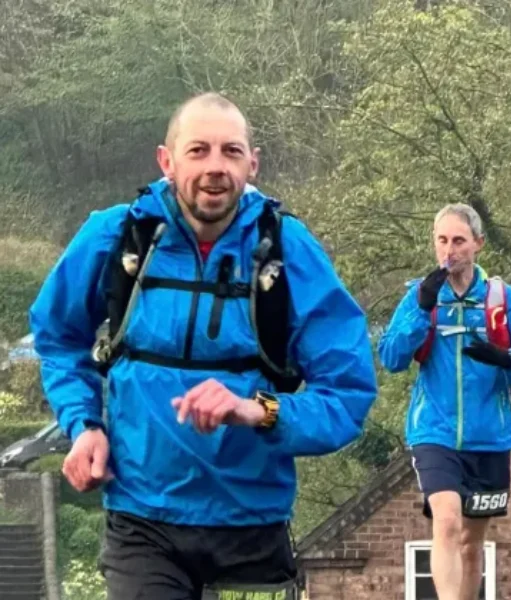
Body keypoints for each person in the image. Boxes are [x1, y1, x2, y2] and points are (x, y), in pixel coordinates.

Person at [29, 92, 379, 599]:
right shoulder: (117, 237)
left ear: (252, 163)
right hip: (141, 519)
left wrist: (255, 410)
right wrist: (84, 425)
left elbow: (348, 395)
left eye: (231, 152)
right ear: (166, 161)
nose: (215, 167)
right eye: (199, 151)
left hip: (251, 522)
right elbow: (58, 338)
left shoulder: (288, 252)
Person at [378, 204, 511, 600]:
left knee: (472, 543)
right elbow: (391, 358)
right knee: (447, 521)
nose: (449, 250)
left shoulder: (500, 298)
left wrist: (506, 359)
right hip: (433, 432)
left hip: (489, 437)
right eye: (441, 240)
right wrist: (421, 309)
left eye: (458, 241)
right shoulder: (422, 296)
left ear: (478, 245)